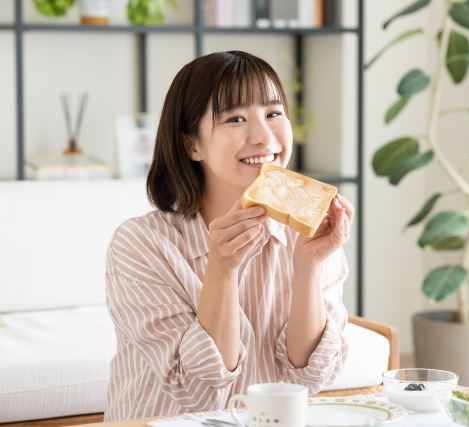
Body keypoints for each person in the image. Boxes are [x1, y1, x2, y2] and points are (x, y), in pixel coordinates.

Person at [104, 51, 353, 421]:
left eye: (273, 113)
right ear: (193, 145)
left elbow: (311, 375)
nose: (264, 137)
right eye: (235, 118)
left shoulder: (310, 235)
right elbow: (198, 391)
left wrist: (308, 267)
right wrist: (221, 269)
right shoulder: (139, 244)